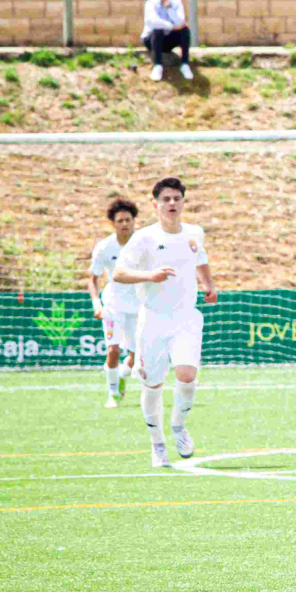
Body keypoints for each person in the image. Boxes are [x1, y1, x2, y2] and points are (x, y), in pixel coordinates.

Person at [113, 177, 216, 468]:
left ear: (183, 201)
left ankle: (179, 426)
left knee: (187, 375)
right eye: (166, 199)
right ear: (156, 204)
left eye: (176, 198)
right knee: (153, 385)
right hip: (153, 320)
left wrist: (209, 285)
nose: (172, 203)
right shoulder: (144, 237)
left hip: (186, 316)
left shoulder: (194, 233)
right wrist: (150, 275)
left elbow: (201, 259)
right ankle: (157, 444)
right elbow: (119, 273)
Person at [88, 198, 141, 409]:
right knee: (113, 350)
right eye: (120, 220)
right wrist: (96, 303)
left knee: (136, 358)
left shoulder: (144, 243)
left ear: (134, 221)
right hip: (113, 305)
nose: (125, 224)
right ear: (113, 223)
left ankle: (121, 375)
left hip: (138, 305)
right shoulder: (104, 247)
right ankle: (113, 395)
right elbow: (92, 279)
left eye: (128, 220)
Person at [141, 0, 193, 82]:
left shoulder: (176, 3)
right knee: (158, 30)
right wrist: (172, 26)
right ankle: (158, 66)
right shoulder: (150, 3)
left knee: (185, 31)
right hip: (151, 40)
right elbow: (153, 22)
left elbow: (180, 22)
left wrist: (169, 9)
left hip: (167, 41)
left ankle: (185, 64)